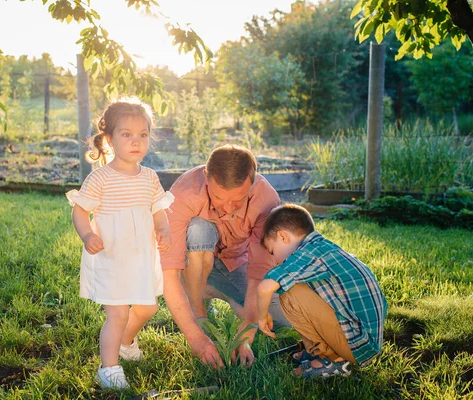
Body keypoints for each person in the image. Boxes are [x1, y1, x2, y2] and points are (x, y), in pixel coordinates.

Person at [66, 98, 173, 389]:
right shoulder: (101, 177)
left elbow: (158, 210)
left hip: (140, 255)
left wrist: (163, 229)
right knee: (118, 313)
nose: (136, 141)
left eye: (143, 135)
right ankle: (109, 368)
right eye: (127, 134)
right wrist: (88, 235)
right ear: (110, 139)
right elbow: (80, 210)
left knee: (148, 308)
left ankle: (127, 341)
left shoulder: (149, 177)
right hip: (111, 255)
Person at [160, 144, 287, 368]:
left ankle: (213, 290)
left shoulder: (266, 199)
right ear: (206, 177)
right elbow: (168, 273)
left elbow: (260, 271)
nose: (228, 208)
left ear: (253, 182)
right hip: (191, 262)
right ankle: (199, 310)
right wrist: (198, 339)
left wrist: (247, 330)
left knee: (279, 322)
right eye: (219, 197)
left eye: (238, 200)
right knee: (199, 228)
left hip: (236, 264)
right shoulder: (184, 193)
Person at [256, 203, 388, 378]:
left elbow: (265, 288)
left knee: (288, 292)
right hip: (365, 339)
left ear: (283, 237)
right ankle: (324, 350)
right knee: (294, 285)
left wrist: (262, 317)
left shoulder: (308, 253)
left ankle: (333, 359)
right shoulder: (323, 248)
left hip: (358, 345)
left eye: (272, 252)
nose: (275, 261)